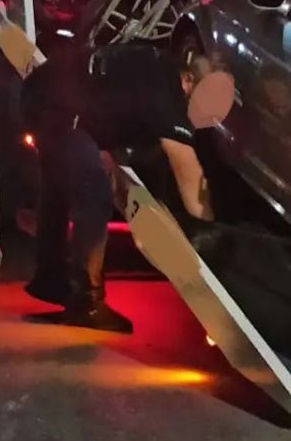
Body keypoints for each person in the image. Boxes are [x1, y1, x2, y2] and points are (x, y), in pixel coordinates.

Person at [21, 44, 217, 332]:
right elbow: (187, 170)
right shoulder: (169, 97)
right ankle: (87, 303)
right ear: (188, 80)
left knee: (59, 184)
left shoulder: (156, 63)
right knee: (95, 196)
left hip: (41, 93)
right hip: (59, 109)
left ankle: (50, 280)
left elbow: (114, 102)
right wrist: (209, 232)